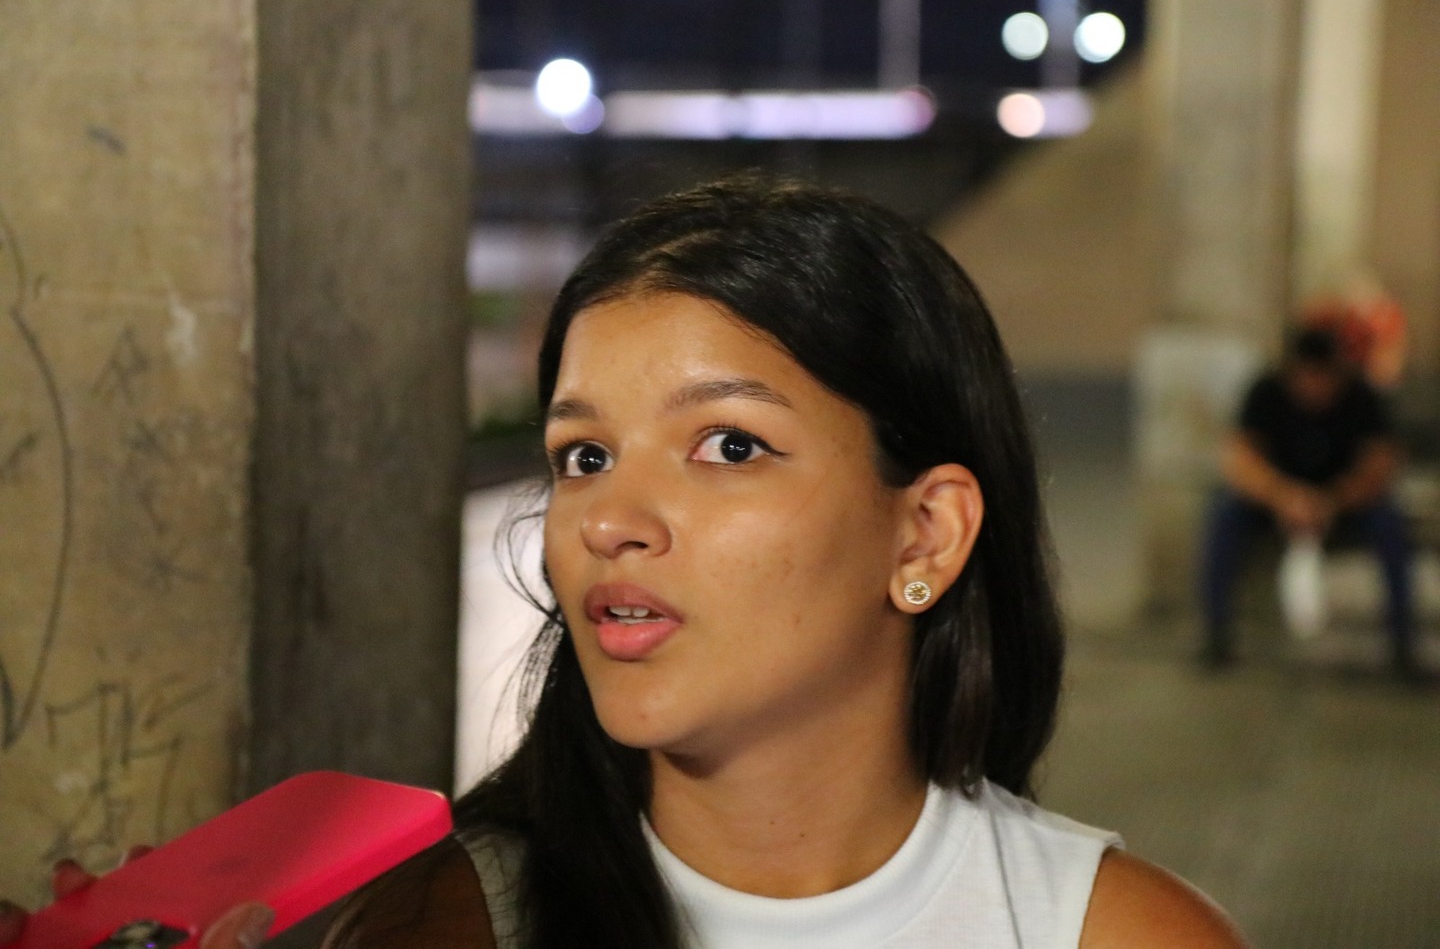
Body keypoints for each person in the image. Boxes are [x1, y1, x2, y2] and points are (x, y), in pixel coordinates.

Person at [1, 177, 1247, 948]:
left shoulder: (1119, 935)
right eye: (583, 455)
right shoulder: (439, 928)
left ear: (924, 533)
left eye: (728, 445)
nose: (609, 518)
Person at [1198, 324, 1417, 676]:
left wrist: (1333, 500)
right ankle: (1215, 635)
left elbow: (1380, 463)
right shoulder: (1267, 391)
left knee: (1390, 524)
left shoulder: (1361, 396)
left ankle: (1403, 644)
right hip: (1278, 501)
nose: (1316, 387)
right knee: (1224, 513)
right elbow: (1239, 458)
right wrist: (1283, 497)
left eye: (1324, 377)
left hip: (1343, 503)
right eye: (1307, 377)